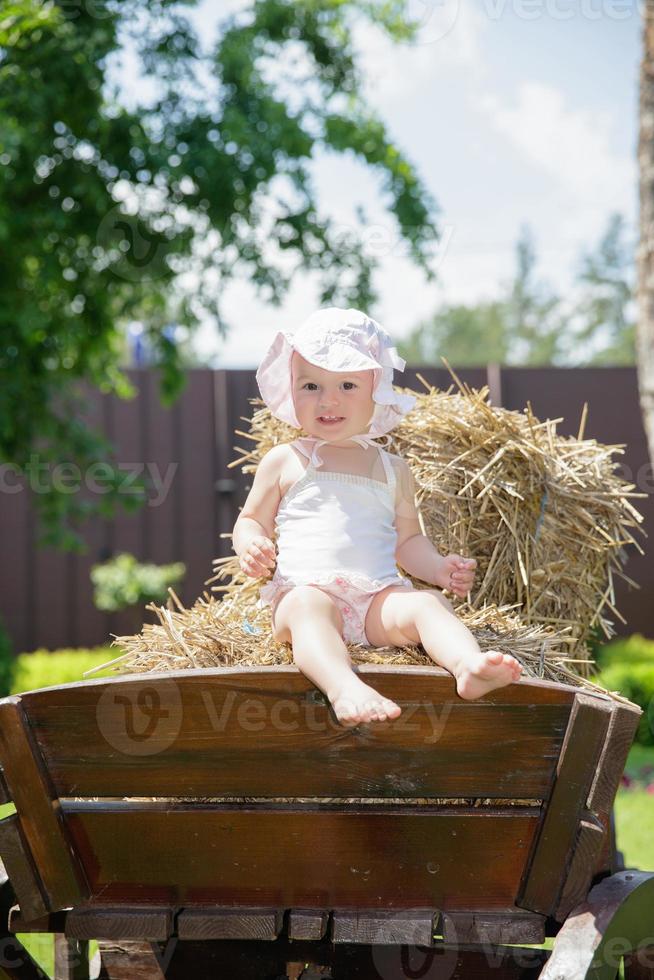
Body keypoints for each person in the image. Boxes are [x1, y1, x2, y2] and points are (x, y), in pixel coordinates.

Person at [232, 307, 522, 727]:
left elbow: (408, 543)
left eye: (347, 384)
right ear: (291, 392)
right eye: (311, 385)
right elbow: (250, 520)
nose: (328, 399)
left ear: (377, 390)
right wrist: (251, 544)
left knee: (425, 604)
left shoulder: (393, 469)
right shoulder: (285, 460)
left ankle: (468, 665)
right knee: (307, 607)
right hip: (305, 593)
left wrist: (438, 567)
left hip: (375, 603)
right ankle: (343, 687)